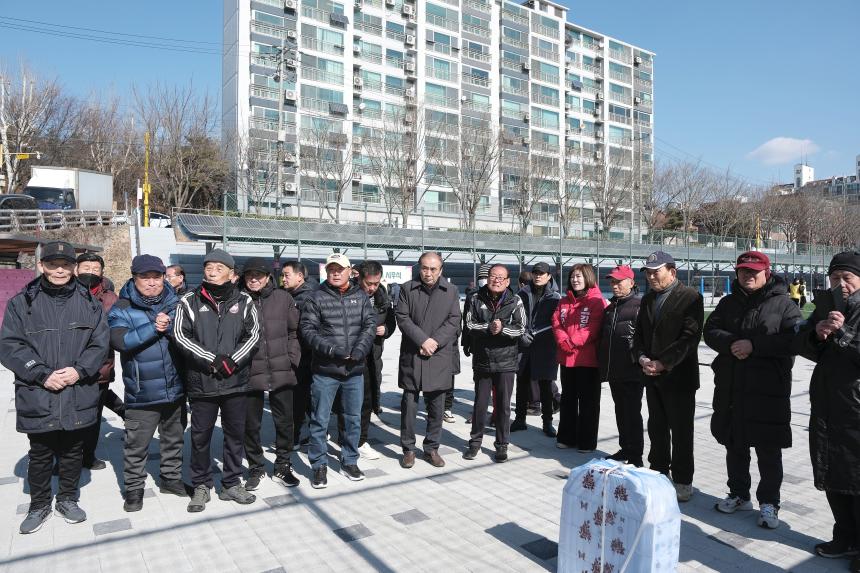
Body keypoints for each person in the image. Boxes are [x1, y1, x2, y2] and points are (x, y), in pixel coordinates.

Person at [1, 241, 109, 534]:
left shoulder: (89, 302)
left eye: (65, 264)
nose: (59, 270)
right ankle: (38, 505)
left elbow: (100, 343)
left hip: (77, 389)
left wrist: (79, 371)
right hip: (39, 391)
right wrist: (40, 374)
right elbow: (10, 345)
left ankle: (68, 499)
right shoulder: (22, 302)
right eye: (52, 264)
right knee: (40, 452)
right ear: (41, 266)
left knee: (74, 449)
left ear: (73, 267)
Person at [704, 251, 801, 529]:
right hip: (732, 387)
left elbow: (794, 341)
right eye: (744, 271)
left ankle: (769, 502)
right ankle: (738, 493)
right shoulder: (728, 303)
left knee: (768, 451)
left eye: (754, 271)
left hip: (768, 391)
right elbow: (710, 330)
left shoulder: (784, 304)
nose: (749, 275)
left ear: (767, 273)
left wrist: (754, 346)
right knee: (734, 445)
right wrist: (734, 343)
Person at [174, 249, 261, 512]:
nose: (212, 271)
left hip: (236, 382)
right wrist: (212, 360)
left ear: (232, 274)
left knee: (235, 434)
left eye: (219, 268)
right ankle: (201, 484)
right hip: (203, 382)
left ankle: (232, 482)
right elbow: (180, 335)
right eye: (208, 267)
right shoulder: (188, 300)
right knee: (200, 437)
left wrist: (232, 361)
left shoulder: (245, 301)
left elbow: (254, 335)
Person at [108, 255, 188, 512]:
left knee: (173, 439)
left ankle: (171, 479)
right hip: (141, 392)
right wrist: (154, 328)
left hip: (175, 388)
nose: (152, 283)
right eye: (145, 277)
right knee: (136, 446)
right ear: (134, 278)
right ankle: (133, 490)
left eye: (157, 277)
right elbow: (121, 342)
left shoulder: (176, 302)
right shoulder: (121, 307)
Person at [796, 251, 860, 567]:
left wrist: (844, 333)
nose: (841, 284)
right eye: (835, 277)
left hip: (856, 412)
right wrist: (817, 333)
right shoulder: (827, 305)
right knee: (832, 474)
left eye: (847, 277)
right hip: (826, 406)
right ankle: (844, 537)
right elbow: (803, 345)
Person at [632, 251, 704, 502]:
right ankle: (658, 471)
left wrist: (664, 363)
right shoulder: (648, 299)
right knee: (657, 427)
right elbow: (639, 334)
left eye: (656, 272)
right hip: (651, 374)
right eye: (648, 272)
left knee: (682, 431)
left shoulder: (690, 297)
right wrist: (641, 358)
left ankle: (683, 480)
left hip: (678, 377)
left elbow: (690, 338)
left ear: (672, 272)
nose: (651, 277)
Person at [300, 253, 376, 488]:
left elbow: (369, 325)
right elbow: (308, 330)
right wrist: (331, 350)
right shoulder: (315, 297)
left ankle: (349, 460)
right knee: (319, 421)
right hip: (325, 370)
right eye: (331, 269)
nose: (335, 273)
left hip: (354, 370)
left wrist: (360, 350)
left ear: (349, 271)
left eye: (339, 269)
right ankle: (319, 465)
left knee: (353, 419)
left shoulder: (361, 296)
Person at [241, 258, 302, 491]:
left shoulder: (283, 298)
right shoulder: (239, 300)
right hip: (250, 370)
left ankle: (283, 465)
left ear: (268, 277)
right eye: (249, 275)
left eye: (259, 275)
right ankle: (256, 467)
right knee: (250, 423)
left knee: (285, 422)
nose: (254, 279)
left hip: (282, 368)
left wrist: (292, 359)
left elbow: (294, 331)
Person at [396, 252, 461, 469]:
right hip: (414, 353)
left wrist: (434, 342)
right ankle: (408, 449)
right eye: (425, 268)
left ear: (441, 270)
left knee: (436, 406)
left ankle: (432, 447)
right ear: (419, 267)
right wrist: (422, 340)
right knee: (409, 405)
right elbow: (402, 318)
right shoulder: (407, 288)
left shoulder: (451, 291)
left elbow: (454, 320)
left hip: (438, 354)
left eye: (433, 269)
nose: (428, 273)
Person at [463, 264, 526, 462]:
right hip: (483, 360)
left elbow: (521, 328)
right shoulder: (475, 298)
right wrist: (489, 328)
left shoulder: (516, 301)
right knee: (480, 404)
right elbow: (469, 324)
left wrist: (503, 328)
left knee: (503, 406)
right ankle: (474, 443)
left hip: (507, 361)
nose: (496, 280)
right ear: (487, 278)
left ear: (508, 281)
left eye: (501, 277)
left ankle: (501, 444)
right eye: (493, 276)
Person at [336, 261, 396, 460]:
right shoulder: (347, 293)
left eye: (376, 283)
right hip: (350, 357)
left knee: (366, 402)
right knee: (347, 402)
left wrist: (385, 330)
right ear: (358, 278)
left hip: (372, 357)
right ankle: (346, 438)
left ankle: (361, 440)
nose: (372, 288)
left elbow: (391, 321)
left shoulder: (381, 297)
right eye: (368, 283)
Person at [552, 263, 608, 452]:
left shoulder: (596, 301)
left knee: (588, 402)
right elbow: (556, 322)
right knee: (568, 399)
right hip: (567, 358)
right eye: (573, 276)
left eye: (579, 276)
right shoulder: (564, 300)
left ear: (588, 278)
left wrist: (572, 342)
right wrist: (563, 340)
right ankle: (566, 437)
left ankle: (587, 441)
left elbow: (592, 327)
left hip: (588, 360)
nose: (575, 280)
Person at [75, 252, 122, 471]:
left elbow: (116, 332)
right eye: (86, 268)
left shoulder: (111, 299)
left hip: (100, 369)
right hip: (67, 368)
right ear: (76, 269)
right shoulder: (65, 294)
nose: (90, 273)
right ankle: (65, 457)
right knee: (67, 415)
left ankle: (88, 456)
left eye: (95, 269)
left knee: (94, 417)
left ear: (102, 272)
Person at [597, 265, 644, 467]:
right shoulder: (610, 308)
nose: (614, 285)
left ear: (631, 283)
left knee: (632, 414)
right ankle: (625, 448)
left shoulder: (639, 306)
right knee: (620, 412)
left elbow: (643, 340)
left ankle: (636, 457)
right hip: (614, 370)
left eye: (619, 281)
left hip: (632, 372)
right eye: (612, 281)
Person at [512, 262, 560, 437]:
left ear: (549, 276)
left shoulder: (555, 298)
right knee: (522, 383)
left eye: (542, 273)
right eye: (535, 273)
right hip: (524, 346)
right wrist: (522, 333)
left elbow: (557, 322)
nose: (538, 276)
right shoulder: (522, 294)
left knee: (545, 385)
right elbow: (515, 317)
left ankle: (547, 422)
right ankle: (519, 419)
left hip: (546, 346)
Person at [283, 260, 315, 446]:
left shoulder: (305, 298)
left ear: (300, 276)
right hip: (298, 355)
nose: (284, 279)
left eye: (287, 275)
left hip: (303, 356)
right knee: (303, 398)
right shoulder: (292, 295)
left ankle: (293, 438)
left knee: (298, 398)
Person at [462, 263, 491, 424]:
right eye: (481, 277)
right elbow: (466, 321)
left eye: (486, 277)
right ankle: (478, 413)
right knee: (479, 382)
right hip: (477, 345)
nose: (484, 280)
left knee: (496, 385)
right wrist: (465, 342)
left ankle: (496, 414)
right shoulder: (472, 296)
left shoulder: (505, 294)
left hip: (497, 348)